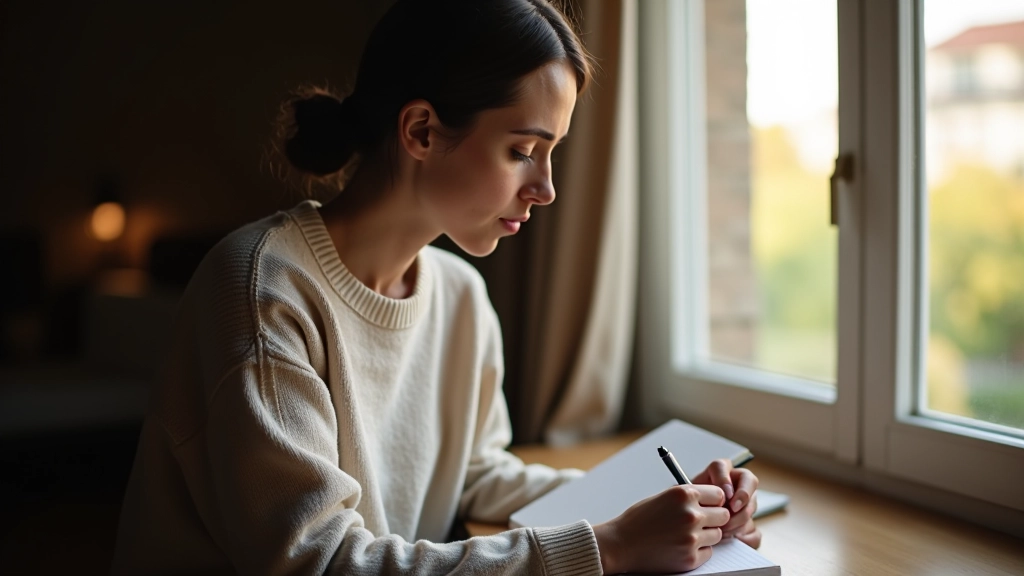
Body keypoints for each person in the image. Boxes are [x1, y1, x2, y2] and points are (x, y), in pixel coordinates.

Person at [111, 1, 761, 574]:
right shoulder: (262, 292)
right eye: (523, 150)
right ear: (421, 130)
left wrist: (666, 508)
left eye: (553, 151)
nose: (547, 188)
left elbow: (475, 476)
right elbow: (319, 562)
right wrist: (610, 545)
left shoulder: (459, 297)